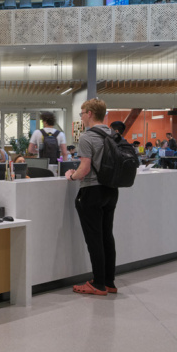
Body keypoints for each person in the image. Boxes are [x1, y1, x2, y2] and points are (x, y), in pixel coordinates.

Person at [65, 98, 119, 296]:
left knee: (94, 238)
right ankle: (109, 281)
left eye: (81, 114)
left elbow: (85, 168)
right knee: (107, 236)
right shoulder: (113, 134)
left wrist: (72, 176)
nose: (81, 118)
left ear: (89, 113)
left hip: (92, 191)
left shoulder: (87, 137)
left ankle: (97, 283)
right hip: (111, 190)